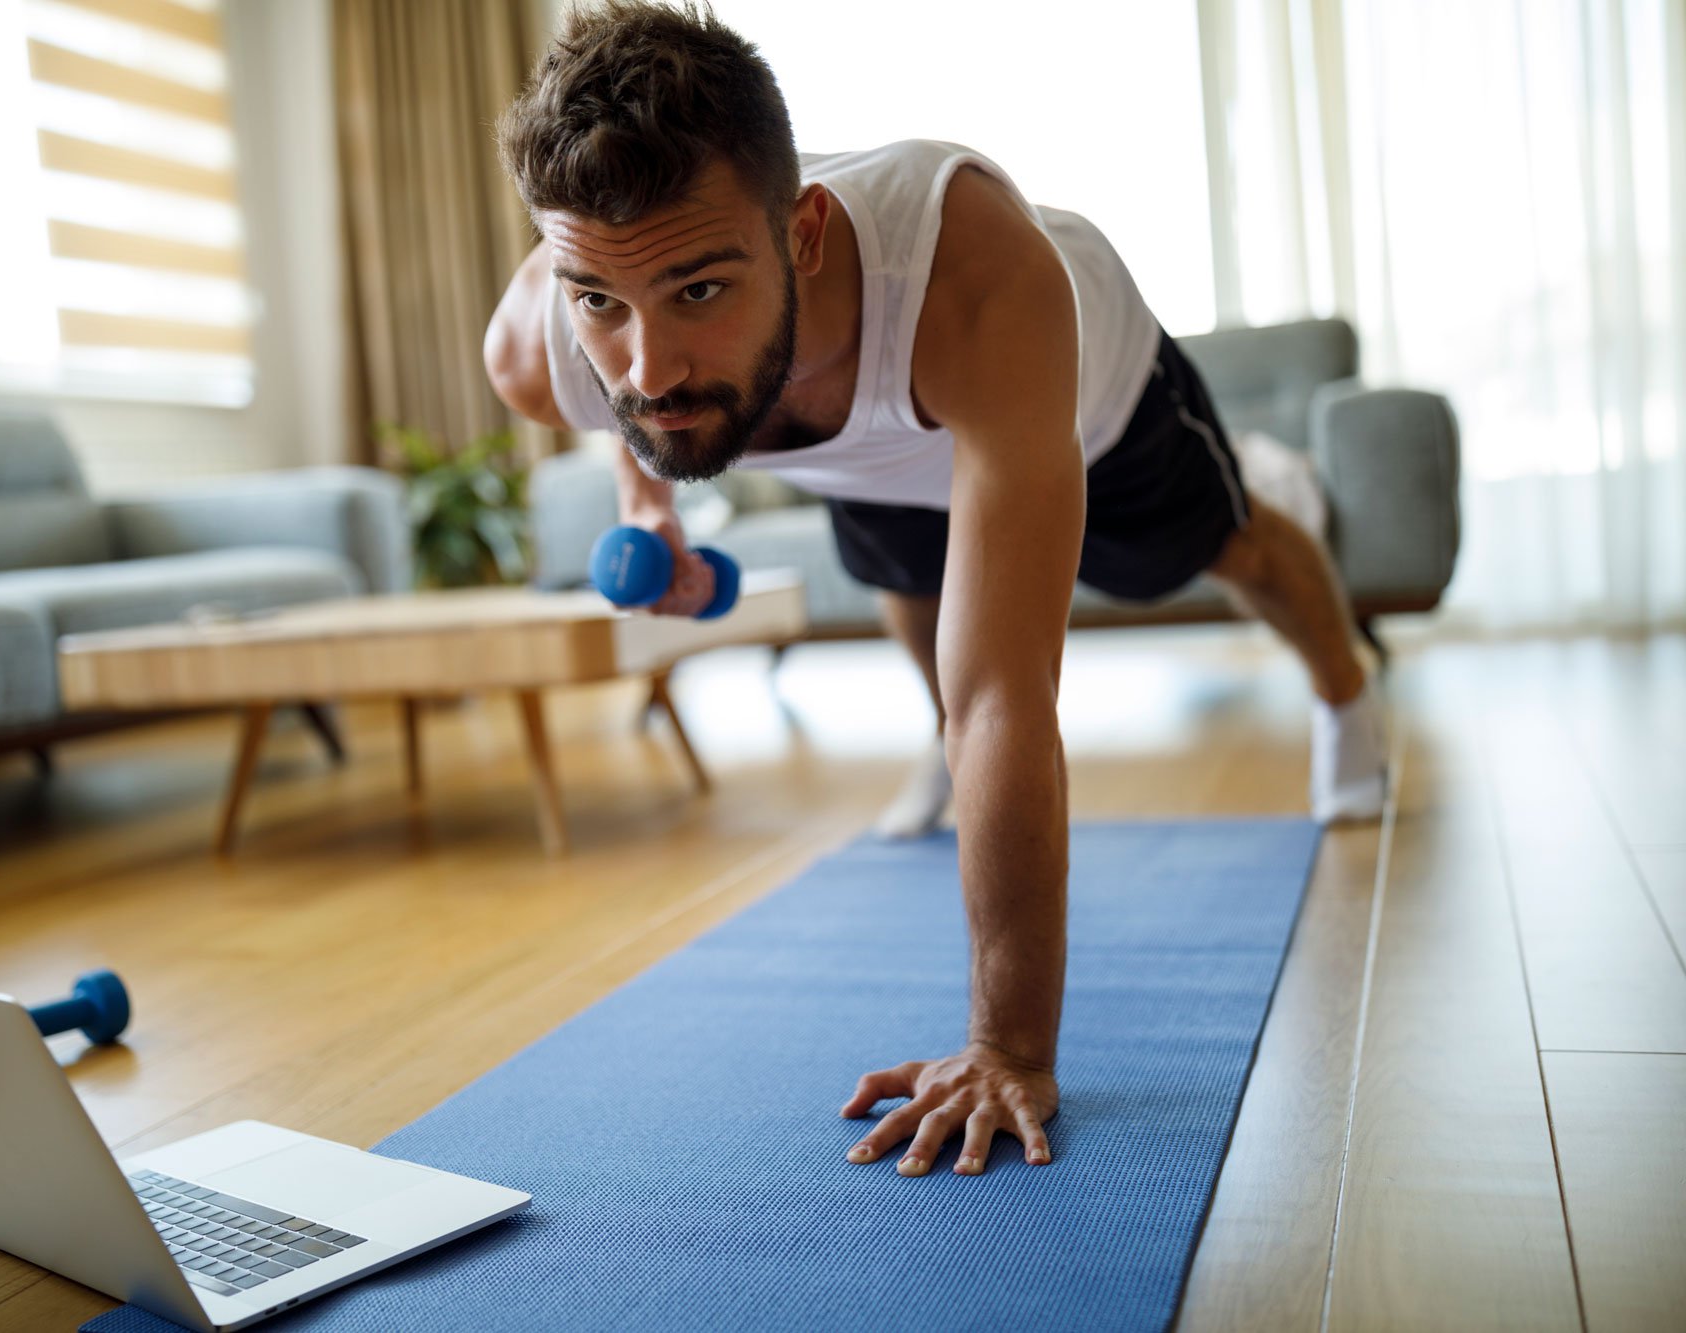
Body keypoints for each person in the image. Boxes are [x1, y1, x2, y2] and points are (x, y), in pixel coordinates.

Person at [482, 1, 1385, 1177]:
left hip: (1074, 405)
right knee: (908, 583)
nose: (644, 367)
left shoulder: (974, 275)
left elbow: (1009, 695)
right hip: (842, 429)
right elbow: (635, 393)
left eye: (698, 290)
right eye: (600, 304)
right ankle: (931, 729)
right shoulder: (549, 345)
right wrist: (647, 507)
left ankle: (1345, 696)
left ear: (802, 233)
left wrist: (1006, 1046)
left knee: (1220, 553)